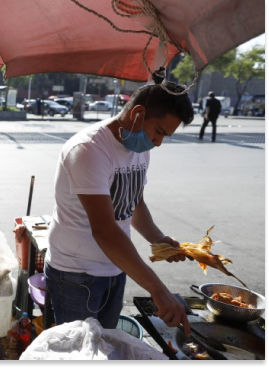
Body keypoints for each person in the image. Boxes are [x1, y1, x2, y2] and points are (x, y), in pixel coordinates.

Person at [44, 81, 194, 336]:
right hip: (75, 275)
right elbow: (104, 230)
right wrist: (158, 289)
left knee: (107, 343)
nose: (158, 143)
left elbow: (135, 204)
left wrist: (159, 239)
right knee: (77, 351)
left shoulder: (140, 149)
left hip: (117, 267)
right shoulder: (89, 150)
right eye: (158, 131)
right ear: (137, 114)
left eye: (164, 136)